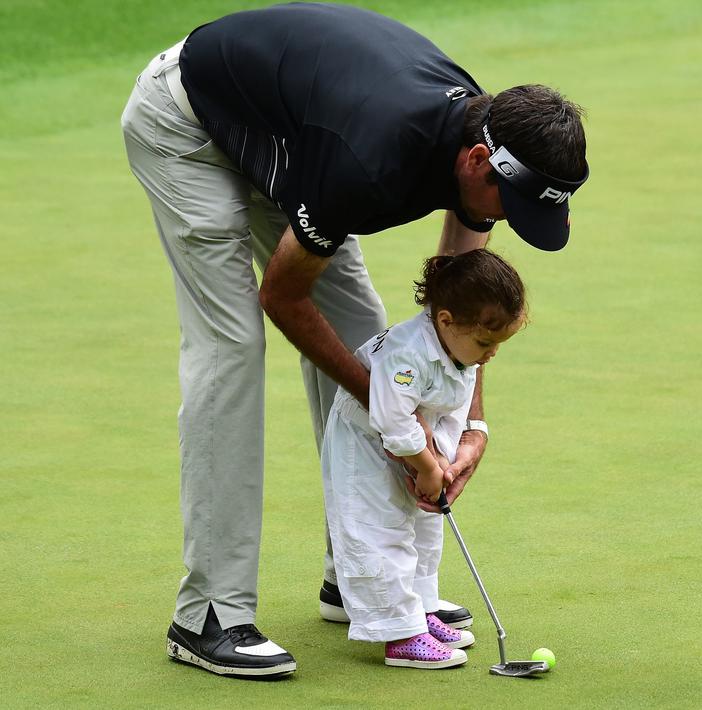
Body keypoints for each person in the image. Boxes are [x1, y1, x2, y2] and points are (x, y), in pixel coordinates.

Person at [121, 2, 588, 677]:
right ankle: (208, 614)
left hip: (294, 139)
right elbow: (282, 296)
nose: (504, 222)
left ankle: (362, 581)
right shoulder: (371, 160)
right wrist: (399, 422)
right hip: (188, 122)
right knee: (232, 351)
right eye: (506, 207)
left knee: (370, 342)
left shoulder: (480, 139)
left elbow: (463, 307)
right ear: (480, 159)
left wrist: (469, 425)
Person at [323, 249, 525, 668]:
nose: (490, 355)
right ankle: (399, 634)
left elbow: (448, 408)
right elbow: (394, 423)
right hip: (364, 441)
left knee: (426, 526)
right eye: (485, 343)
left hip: (415, 443)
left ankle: (420, 610)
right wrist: (429, 467)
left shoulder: (458, 345)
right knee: (381, 529)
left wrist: (442, 465)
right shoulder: (406, 355)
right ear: (446, 320)